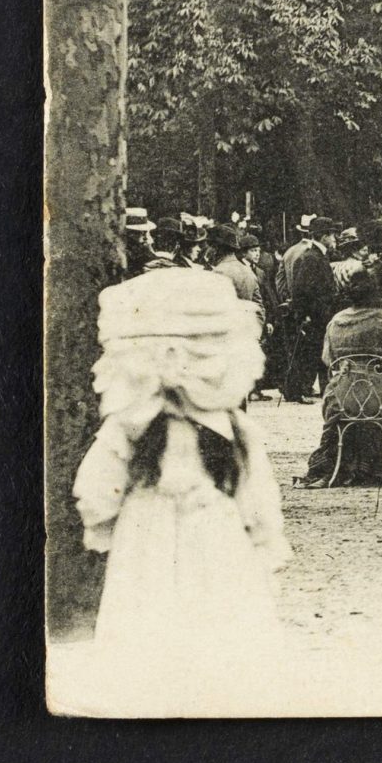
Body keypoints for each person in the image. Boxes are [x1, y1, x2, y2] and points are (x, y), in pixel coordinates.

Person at [71, 267, 288, 649]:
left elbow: (98, 487)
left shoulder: (133, 427)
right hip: (204, 523)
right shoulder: (147, 425)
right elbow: (256, 494)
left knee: (156, 607)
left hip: (152, 524)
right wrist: (262, 535)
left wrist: (103, 518)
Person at [300, 267, 382, 486]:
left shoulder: (336, 320)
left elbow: (327, 358)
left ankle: (351, 461)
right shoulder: (381, 318)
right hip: (378, 397)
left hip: (341, 397)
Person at [277, 215, 340, 403]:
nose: (335, 240)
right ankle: (300, 390)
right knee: (310, 353)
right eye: (332, 236)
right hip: (315, 315)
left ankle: (310, 388)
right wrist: (305, 313)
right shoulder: (311, 258)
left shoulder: (315, 255)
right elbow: (303, 289)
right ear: (324, 237)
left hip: (317, 313)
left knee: (315, 352)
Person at [204, 222, 264, 306]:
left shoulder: (217, 273)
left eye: (211, 246)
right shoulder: (248, 271)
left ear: (216, 249)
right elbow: (259, 307)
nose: (208, 250)